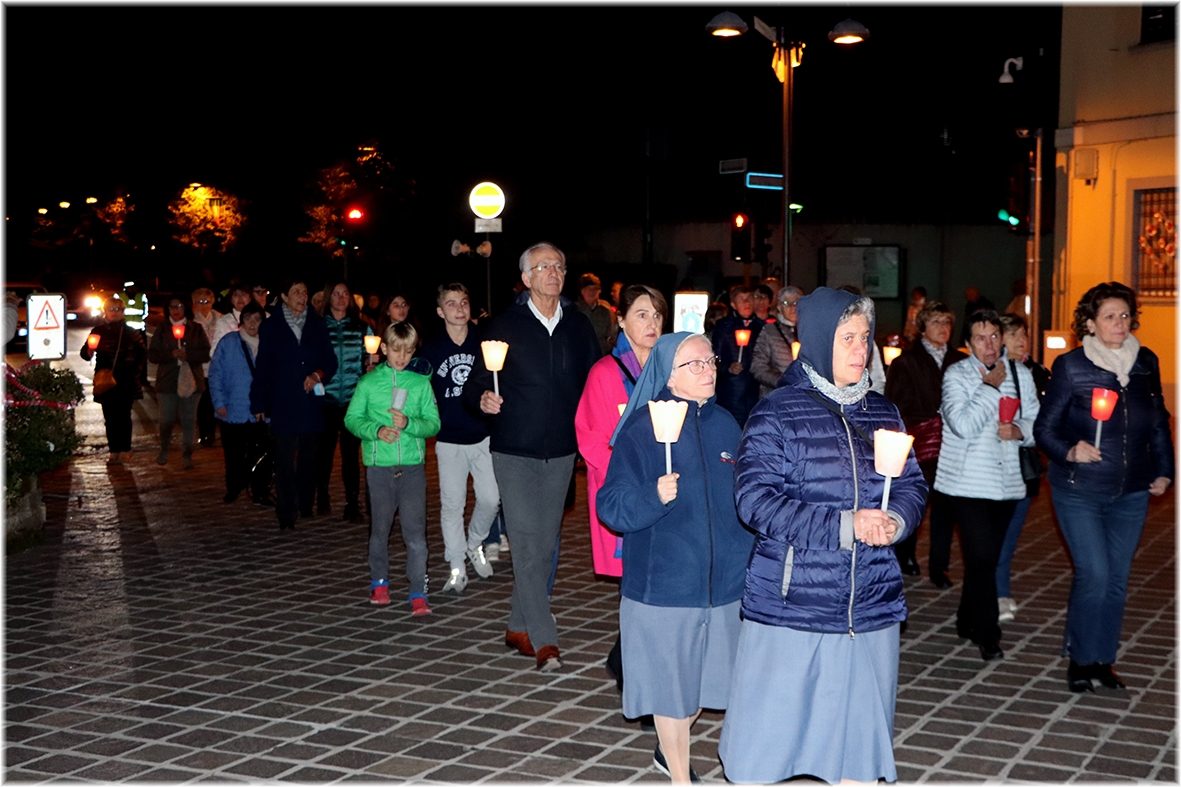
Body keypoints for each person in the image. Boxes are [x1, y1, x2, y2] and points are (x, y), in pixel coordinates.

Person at [719, 287, 927, 784]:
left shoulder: (883, 413)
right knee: (773, 744)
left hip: (869, 601)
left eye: (865, 337)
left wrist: (896, 520)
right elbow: (755, 501)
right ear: (816, 340)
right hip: (796, 603)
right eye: (847, 338)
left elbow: (911, 485)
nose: (861, 349)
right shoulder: (778, 412)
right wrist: (845, 525)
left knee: (857, 746)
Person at [597, 333, 754, 783]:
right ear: (668, 375)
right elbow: (611, 506)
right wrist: (653, 496)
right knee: (671, 691)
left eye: (711, 361)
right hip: (665, 587)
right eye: (695, 364)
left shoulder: (726, 424)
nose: (709, 370)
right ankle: (680, 777)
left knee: (705, 686)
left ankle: (668, 752)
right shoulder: (643, 428)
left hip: (725, 586)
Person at [463, 242, 600, 671]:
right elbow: (474, 383)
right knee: (524, 543)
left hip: (561, 450)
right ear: (526, 278)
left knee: (544, 543)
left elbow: (594, 382)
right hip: (514, 448)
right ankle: (544, 640)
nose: (553, 273)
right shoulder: (504, 325)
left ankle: (517, 625)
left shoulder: (578, 326)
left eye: (558, 265)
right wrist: (482, 399)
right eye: (543, 267)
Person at [1034, 282, 1173, 692]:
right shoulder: (1071, 367)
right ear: (1090, 324)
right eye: (1110, 316)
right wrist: (1070, 450)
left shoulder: (1145, 362)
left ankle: (1102, 659)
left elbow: (1158, 421)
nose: (1120, 323)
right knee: (1094, 573)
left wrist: (1165, 469)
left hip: (1132, 490)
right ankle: (1080, 660)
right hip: (1079, 489)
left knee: (1116, 579)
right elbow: (1045, 429)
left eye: (1125, 315)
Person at [574, 284, 667, 687]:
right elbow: (590, 437)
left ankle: (623, 659)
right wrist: (630, 471)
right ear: (622, 320)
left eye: (657, 315)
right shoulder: (604, 372)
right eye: (642, 314)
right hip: (625, 490)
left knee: (656, 578)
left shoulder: (669, 370)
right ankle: (632, 672)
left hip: (664, 488)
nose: (651, 323)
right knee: (635, 583)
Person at [935, 309, 1039, 662]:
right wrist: (989, 387)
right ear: (968, 343)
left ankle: (967, 618)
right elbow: (962, 424)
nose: (990, 344)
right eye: (981, 338)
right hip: (965, 482)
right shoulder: (957, 374)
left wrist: (1020, 430)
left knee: (987, 557)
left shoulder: (1020, 373)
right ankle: (987, 631)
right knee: (981, 556)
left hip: (1007, 482)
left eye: (995, 335)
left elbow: (1037, 420)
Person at [346, 322, 441, 615]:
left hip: (412, 467)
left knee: (415, 532)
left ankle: (418, 589)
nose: (402, 357)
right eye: (397, 350)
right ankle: (379, 581)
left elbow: (434, 423)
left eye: (408, 351)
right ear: (384, 348)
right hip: (379, 466)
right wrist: (376, 430)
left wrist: (409, 423)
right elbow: (352, 419)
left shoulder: (420, 384)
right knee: (380, 528)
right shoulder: (368, 383)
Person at [420, 283, 500, 594]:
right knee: (452, 504)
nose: (459, 308)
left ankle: (474, 542)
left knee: (491, 498)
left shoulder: (484, 343)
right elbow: (420, 387)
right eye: (451, 304)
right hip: (450, 439)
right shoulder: (432, 349)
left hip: (483, 435)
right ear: (440, 312)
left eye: (464, 302)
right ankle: (456, 565)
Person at [250, 278, 338, 530]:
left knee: (308, 457)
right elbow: (263, 367)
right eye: (296, 292)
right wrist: (258, 402)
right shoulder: (271, 327)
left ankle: (305, 503)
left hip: (310, 401)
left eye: (304, 291)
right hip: (284, 401)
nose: (302, 296)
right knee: (285, 459)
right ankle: (286, 511)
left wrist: (317, 375)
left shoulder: (317, 324)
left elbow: (330, 361)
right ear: (285, 297)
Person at [884, 300, 959, 584]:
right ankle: (906, 554)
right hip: (920, 444)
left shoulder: (959, 360)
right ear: (923, 327)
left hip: (953, 444)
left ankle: (939, 566)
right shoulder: (906, 362)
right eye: (936, 322)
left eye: (947, 322)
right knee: (915, 499)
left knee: (946, 506)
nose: (943, 328)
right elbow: (894, 406)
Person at [994, 313, 1051, 621]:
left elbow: (1041, 420)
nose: (1021, 340)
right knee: (994, 535)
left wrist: (1021, 429)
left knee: (1009, 535)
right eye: (1013, 334)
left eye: (1024, 334)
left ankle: (999, 591)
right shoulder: (986, 371)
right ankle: (995, 593)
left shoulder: (1036, 374)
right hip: (990, 466)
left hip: (1023, 463)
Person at [315, 280, 373, 522]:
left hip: (352, 399)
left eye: (345, 294)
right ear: (328, 298)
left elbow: (370, 355)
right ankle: (322, 495)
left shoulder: (361, 327)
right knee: (324, 452)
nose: (340, 298)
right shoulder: (318, 326)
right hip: (325, 398)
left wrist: (371, 365)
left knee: (351, 454)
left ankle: (352, 502)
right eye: (336, 294)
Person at [208, 302, 273, 506]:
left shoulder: (270, 344)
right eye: (248, 319)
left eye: (257, 319)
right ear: (241, 321)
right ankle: (234, 486)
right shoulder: (228, 342)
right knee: (234, 452)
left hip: (260, 411)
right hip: (233, 408)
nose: (253, 323)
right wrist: (219, 402)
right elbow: (215, 374)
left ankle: (260, 492)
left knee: (261, 453)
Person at [80, 296, 146, 465]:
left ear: (123, 312)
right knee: (110, 417)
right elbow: (85, 354)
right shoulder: (98, 331)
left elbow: (142, 353)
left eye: (118, 309)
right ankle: (113, 450)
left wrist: (135, 369)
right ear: (105, 312)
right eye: (112, 309)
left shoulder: (131, 332)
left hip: (126, 379)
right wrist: (90, 350)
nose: (115, 313)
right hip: (105, 380)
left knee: (124, 416)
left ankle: (125, 449)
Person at [148, 296, 211, 470]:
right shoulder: (162, 329)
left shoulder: (195, 328)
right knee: (167, 419)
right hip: (167, 382)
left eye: (180, 306)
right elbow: (153, 355)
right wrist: (171, 354)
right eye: (172, 307)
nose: (176, 310)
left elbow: (206, 353)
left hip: (191, 381)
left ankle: (187, 454)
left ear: (186, 308)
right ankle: (164, 448)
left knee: (189, 420)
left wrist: (188, 355)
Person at [711, 285, 763, 427]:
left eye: (749, 298)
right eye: (741, 299)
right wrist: (728, 368)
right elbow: (715, 359)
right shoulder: (723, 327)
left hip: (756, 391)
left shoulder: (762, 327)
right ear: (733, 304)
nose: (746, 303)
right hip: (731, 392)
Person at [749, 285, 800, 399]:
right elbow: (758, 367)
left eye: (796, 303)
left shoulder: (809, 331)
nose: (792, 307)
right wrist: (783, 380)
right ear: (779, 307)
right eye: (786, 303)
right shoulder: (769, 331)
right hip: (777, 397)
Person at [191, 287, 221, 447]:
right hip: (199, 368)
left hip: (217, 367)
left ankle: (213, 432)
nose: (203, 305)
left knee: (216, 400)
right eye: (200, 302)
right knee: (203, 403)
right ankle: (205, 434)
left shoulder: (221, 319)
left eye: (206, 301)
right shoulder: (191, 322)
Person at [574, 272, 616, 356]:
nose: (591, 292)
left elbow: (611, 336)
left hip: (601, 355)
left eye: (595, 289)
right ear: (582, 291)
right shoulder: (574, 310)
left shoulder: (605, 310)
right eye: (588, 289)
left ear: (599, 291)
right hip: (580, 356)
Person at [210, 281, 252, 358]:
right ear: (231, 300)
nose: (240, 298)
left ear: (249, 298)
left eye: (243, 294)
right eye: (236, 295)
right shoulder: (224, 321)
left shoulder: (263, 317)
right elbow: (215, 351)